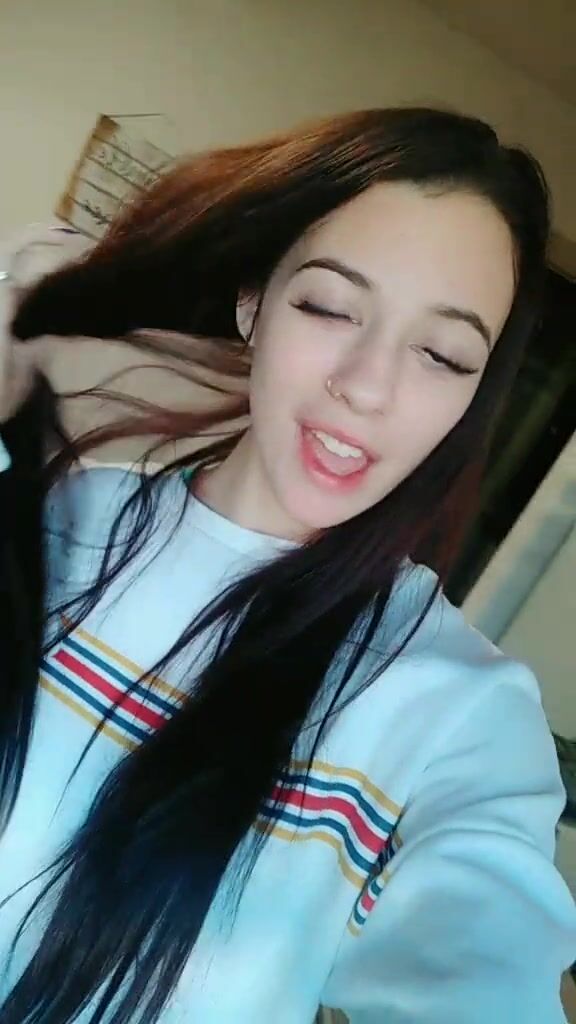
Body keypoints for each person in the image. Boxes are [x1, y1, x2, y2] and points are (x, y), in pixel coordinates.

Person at [0, 106, 574, 1024]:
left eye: (442, 354)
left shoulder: (462, 711)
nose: (368, 387)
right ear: (253, 304)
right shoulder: (62, 522)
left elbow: (481, 968)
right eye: (330, 307)